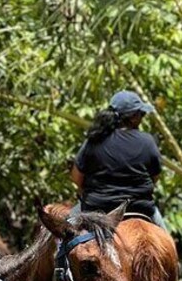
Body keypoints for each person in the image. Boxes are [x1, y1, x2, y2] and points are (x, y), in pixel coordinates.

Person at [71, 90, 167, 230]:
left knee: (63, 235)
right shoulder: (148, 142)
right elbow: (155, 177)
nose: (142, 118)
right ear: (133, 117)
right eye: (141, 114)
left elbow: (76, 178)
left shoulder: (95, 140)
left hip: (96, 210)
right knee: (167, 241)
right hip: (140, 209)